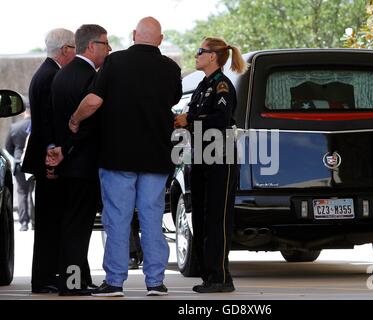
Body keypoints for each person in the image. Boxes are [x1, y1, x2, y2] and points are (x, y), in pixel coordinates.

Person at [68, 16, 182, 297]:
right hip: (156, 157)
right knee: (152, 218)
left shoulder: (115, 62)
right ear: (161, 39)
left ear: (134, 35)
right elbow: (172, 102)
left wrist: (74, 119)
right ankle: (155, 282)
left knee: (117, 219)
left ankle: (115, 282)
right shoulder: (170, 68)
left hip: (117, 156)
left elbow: (94, 101)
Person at [174, 37, 247, 293]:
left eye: (200, 51)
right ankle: (208, 275)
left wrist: (190, 118)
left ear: (213, 56)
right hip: (201, 155)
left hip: (220, 155)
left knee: (217, 217)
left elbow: (220, 118)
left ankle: (221, 277)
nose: (196, 55)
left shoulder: (222, 85)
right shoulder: (202, 85)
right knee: (202, 217)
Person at [45, 24, 111, 296]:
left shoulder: (64, 74)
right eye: (105, 44)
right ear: (91, 46)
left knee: (74, 224)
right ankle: (72, 283)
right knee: (78, 228)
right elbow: (91, 123)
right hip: (83, 163)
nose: (109, 49)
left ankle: (80, 278)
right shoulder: (89, 77)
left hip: (69, 162)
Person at [21, 28, 76, 294]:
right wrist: (52, 157)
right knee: (50, 222)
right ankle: (44, 277)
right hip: (48, 161)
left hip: (45, 159)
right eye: (75, 48)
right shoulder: (52, 75)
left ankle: (45, 276)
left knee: (49, 221)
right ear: (65, 49)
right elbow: (47, 123)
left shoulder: (45, 72)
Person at [5, 107, 34, 231]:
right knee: (33, 192)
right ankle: (34, 221)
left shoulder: (15, 127)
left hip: (19, 163)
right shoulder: (37, 125)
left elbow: (8, 147)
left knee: (22, 192)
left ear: (24, 113)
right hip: (34, 163)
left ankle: (23, 223)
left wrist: (16, 158)